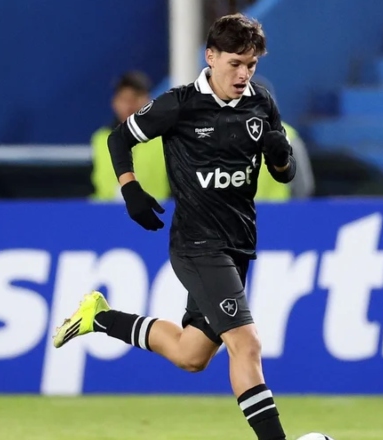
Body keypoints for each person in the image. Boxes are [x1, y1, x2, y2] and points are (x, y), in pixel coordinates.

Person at [54, 13, 293, 440]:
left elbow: (284, 173)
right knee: (247, 343)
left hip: (239, 244)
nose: (243, 75)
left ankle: (101, 318)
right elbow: (119, 138)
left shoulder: (261, 103)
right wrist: (130, 188)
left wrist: (279, 158)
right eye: (235, 64)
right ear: (211, 57)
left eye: (251, 65)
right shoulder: (179, 104)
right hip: (197, 245)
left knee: (191, 354)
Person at [90, 72, 170, 202]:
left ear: (148, 100)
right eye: (124, 99)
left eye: (135, 98)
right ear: (114, 102)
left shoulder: (164, 137)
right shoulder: (100, 138)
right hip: (106, 211)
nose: (129, 105)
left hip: (155, 209)